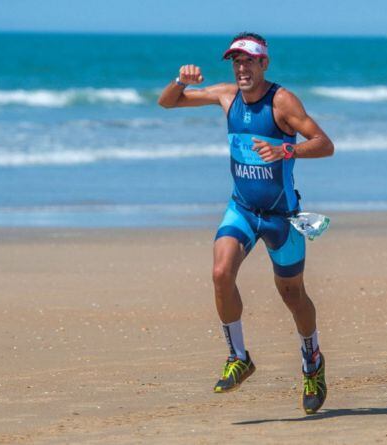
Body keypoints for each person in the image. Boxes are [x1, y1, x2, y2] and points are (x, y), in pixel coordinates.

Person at [157, 32, 335, 414]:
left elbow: (324, 143)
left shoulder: (282, 102)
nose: (241, 68)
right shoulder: (226, 96)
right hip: (241, 209)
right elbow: (167, 103)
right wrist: (180, 82)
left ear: (264, 64)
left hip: (281, 216)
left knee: (293, 296)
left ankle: (312, 360)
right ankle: (239, 356)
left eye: (249, 61)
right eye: (236, 61)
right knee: (221, 272)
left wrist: (286, 148)